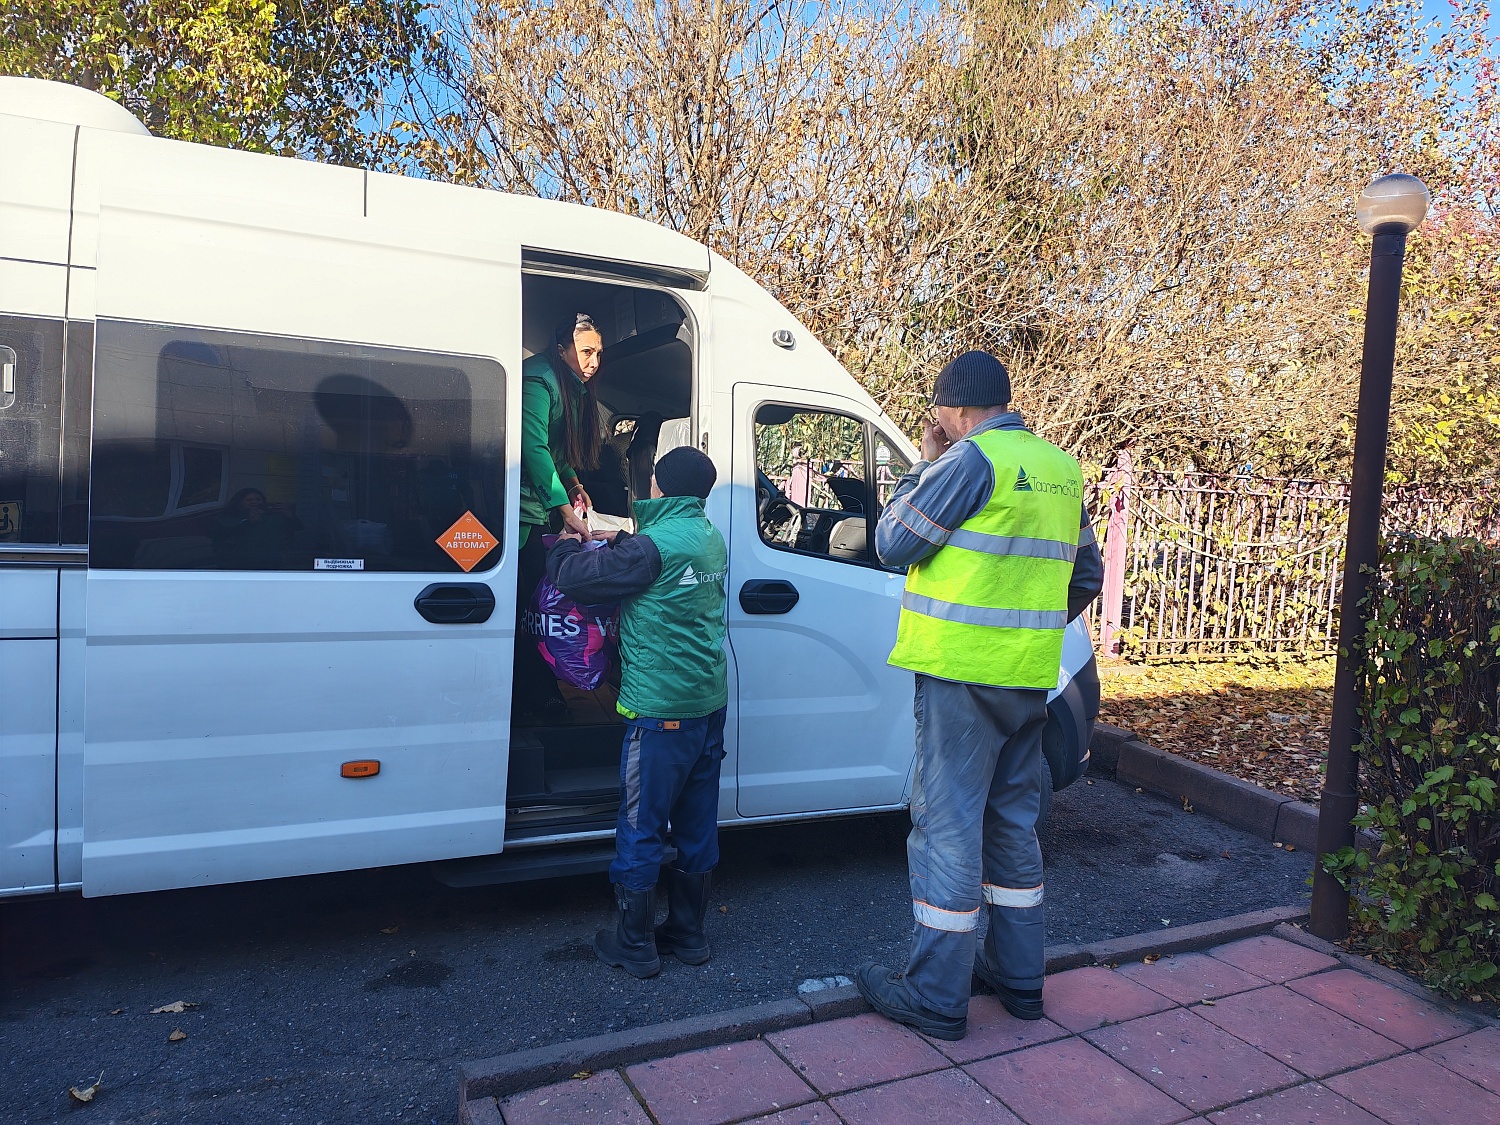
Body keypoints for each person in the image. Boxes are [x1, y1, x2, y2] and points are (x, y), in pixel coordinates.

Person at [856, 350, 1103, 1041]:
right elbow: (1086, 572)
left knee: (948, 826)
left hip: (962, 677)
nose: (934, 422)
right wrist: (1028, 624)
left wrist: (923, 462)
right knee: (1010, 824)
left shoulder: (970, 462)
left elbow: (892, 540)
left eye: (938, 412)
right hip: (1028, 678)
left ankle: (937, 994)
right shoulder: (1059, 468)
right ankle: (1021, 981)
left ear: (956, 408)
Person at [545, 447, 728, 979]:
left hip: (660, 712)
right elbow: (654, 555)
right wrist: (620, 539)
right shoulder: (707, 537)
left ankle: (634, 943)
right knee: (696, 824)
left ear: (660, 485)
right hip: (706, 705)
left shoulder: (650, 550)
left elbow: (578, 579)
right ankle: (689, 935)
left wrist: (563, 544)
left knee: (642, 824)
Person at [516, 313, 606, 719]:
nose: (593, 362)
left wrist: (572, 483)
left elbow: (556, 453)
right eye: (586, 351)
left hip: (539, 509)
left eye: (598, 354)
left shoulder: (570, 387)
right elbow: (532, 447)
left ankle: (543, 689)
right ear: (560, 349)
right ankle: (538, 696)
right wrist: (564, 510)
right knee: (527, 607)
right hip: (519, 513)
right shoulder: (538, 381)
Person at [213, 488, 300, 569]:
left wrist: (289, 515)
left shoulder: (271, 516)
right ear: (239, 501)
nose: (254, 502)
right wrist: (248, 522)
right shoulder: (228, 516)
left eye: (258, 499)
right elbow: (221, 535)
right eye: (249, 500)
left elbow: (297, 528)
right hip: (237, 564)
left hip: (270, 563)